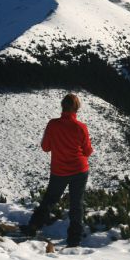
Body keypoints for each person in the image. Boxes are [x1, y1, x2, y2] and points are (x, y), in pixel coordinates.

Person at [26, 93, 93, 247]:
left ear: (62, 106)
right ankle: (74, 239)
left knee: (50, 199)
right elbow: (88, 151)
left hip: (59, 171)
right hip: (79, 170)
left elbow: (45, 147)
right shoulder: (81, 127)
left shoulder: (53, 124)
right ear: (77, 108)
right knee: (76, 203)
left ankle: (33, 226)